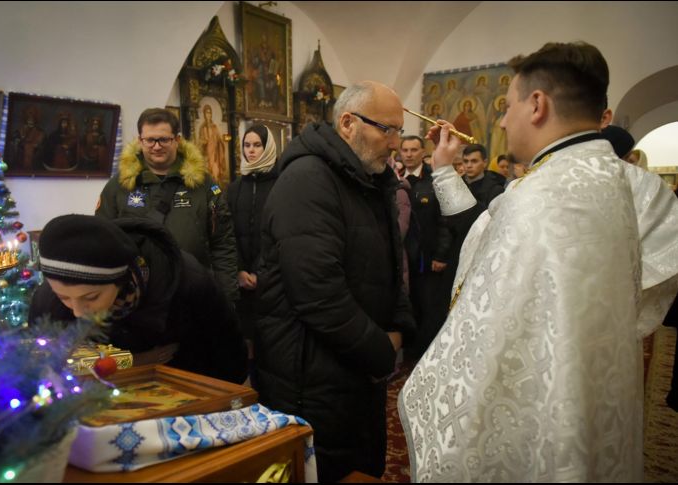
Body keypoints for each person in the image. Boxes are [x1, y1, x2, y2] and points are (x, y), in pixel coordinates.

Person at [400, 41, 678, 482]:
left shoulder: (544, 197)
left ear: (537, 104)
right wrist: (446, 169)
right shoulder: (608, 178)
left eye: (507, 106)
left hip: (544, 416)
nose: (504, 120)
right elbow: (486, 223)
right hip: (595, 394)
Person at [255, 81, 416, 482]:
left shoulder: (364, 178)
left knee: (358, 465)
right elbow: (317, 292)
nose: (396, 143)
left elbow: (392, 260)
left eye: (399, 131)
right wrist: (381, 350)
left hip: (352, 367)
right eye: (388, 129)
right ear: (348, 123)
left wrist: (398, 324)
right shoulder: (309, 179)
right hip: (309, 376)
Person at [28, 214, 247, 384]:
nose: (78, 311)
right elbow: (39, 364)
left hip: (184, 391)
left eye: (91, 297)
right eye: (64, 297)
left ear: (121, 280)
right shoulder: (48, 298)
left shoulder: (187, 281)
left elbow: (228, 356)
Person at [96, 108, 238, 303]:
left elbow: (222, 243)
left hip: (192, 292)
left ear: (177, 140)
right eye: (150, 140)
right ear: (140, 141)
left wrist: (227, 297)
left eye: (164, 139)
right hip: (138, 295)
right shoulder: (119, 186)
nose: (156, 146)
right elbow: (102, 241)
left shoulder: (203, 184)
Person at [227, 124, 278, 386]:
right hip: (242, 279)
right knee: (246, 338)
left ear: (268, 147)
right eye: (247, 145)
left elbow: (279, 233)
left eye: (257, 145)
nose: (251, 150)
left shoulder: (281, 182)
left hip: (271, 277)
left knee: (270, 338)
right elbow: (227, 234)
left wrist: (261, 271)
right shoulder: (235, 187)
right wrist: (239, 269)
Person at [400, 135, 452, 361]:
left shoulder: (434, 180)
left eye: (414, 150)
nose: (409, 154)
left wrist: (441, 253)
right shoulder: (394, 179)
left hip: (428, 257)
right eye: (405, 150)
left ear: (423, 152)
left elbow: (446, 220)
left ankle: (426, 355)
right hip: (403, 257)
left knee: (428, 306)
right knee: (406, 305)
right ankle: (409, 351)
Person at [198, 104, 228, 188]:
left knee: (216, 173)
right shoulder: (202, 128)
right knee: (209, 174)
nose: (208, 115)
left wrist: (219, 141)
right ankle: (213, 192)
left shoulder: (214, 127)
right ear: (204, 114)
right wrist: (204, 142)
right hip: (207, 155)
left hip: (215, 155)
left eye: (210, 113)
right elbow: (200, 142)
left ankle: (217, 192)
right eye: (207, 113)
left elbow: (219, 139)